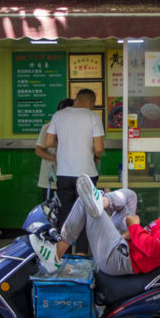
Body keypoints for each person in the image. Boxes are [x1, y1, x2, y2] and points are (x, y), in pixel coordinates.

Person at [30, 164, 160, 276]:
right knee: (130, 196)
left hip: (120, 258)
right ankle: (102, 201)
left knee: (83, 201)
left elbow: (152, 248)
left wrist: (134, 227)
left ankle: (56, 254)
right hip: (125, 247)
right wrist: (131, 233)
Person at [44, 88, 105, 252]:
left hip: (63, 173)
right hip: (86, 175)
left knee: (65, 213)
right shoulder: (93, 117)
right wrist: (96, 156)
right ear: (91, 102)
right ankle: (82, 254)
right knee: (86, 214)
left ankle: (61, 254)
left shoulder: (59, 115)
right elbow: (98, 148)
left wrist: (64, 143)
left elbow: (48, 142)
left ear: (76, 98)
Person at [35, 97, 73, 204]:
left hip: (70, 179)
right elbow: (39, 150)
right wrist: (55, 158)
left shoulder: (75, 129)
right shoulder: (47, 128)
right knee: (51, 212)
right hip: (50, 180)